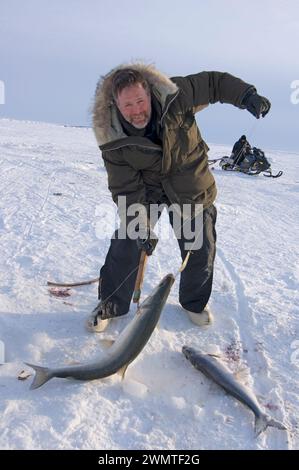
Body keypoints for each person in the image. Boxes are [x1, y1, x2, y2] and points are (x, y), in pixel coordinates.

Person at [88, 63, 271, 332]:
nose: (136, 110)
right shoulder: (112, 135)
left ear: (149, 92)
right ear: (115, 104)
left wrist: (246, 96)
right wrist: (141, 226)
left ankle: (194, 303)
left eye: (140, 101)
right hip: (148, 190)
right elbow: (126, 188)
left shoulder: (175, 93)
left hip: (188, 181)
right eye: (128, 105)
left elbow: (213, 83)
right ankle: (110, 305)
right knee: (128, 240)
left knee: (199, 245)